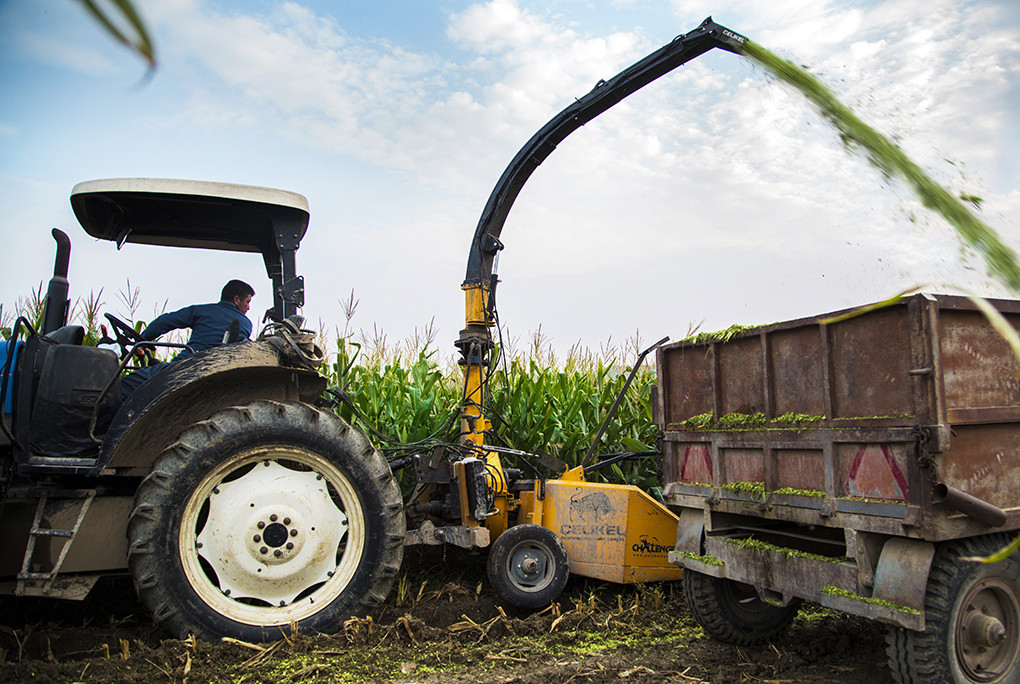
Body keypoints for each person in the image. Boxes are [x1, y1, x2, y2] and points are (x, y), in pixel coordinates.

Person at [119, 280, 255, 399]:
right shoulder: (246, 323)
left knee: (123, 388)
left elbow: (165, 321)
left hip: (185, 367)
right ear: (236, 300)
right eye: (247, 302)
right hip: (214, 370)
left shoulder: (202, 311)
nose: (248, 307)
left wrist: (143, 338)